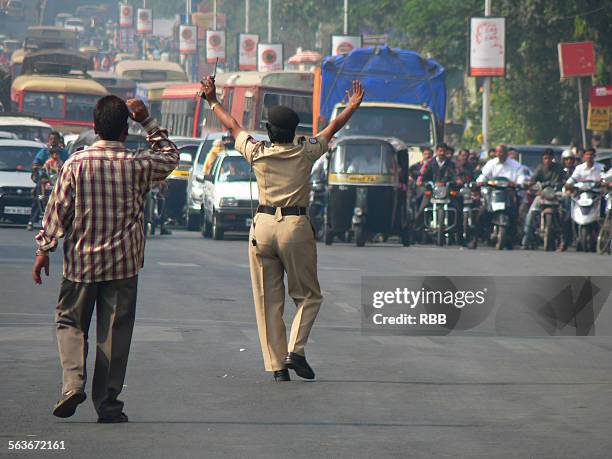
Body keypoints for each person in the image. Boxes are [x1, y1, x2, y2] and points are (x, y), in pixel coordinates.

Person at [200, 75, 364, 382]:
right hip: (294, 226)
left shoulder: (258, 152)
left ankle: (276, 366)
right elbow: (331, 129)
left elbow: (233, 126)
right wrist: (352, 106)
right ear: (294, 132)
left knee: (267, 300)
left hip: (262, 227)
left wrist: (212, 99)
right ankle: (296, 350)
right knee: (308, 296)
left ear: (269, 131)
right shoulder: (306, 151)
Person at [31, 95, 179, 422]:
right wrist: (148, 121)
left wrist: (44, 250)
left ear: (94, 128)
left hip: (80, 265)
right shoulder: (138, 164)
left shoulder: (75, 164)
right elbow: (171, 157)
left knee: (70, 323)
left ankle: (72, 384)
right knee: (114, 335)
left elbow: (57, 213)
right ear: (126, 130)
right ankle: (108, 404)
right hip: (123, 266)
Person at [470, 144, 529, 249]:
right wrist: (479, 182)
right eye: (498, 152)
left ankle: (514, 239)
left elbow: (521, 177)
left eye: (502, 152)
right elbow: (484, 176)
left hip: (509, 194)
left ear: (507, 153)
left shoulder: (515, 165)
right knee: (481, 214)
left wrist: (518, 183)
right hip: (492, 194)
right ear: (496, 153)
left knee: (516, 216)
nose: (500, 154)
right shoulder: (491, 163)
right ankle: (474, 240)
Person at [521, 149, 564, 249]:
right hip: (542, 194)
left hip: (556, 194)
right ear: (543, 159)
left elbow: (565, 179)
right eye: (545, 158)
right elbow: (533, 180)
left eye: (549, 158)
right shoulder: (540, 168)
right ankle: (525, 241)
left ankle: (564, 239)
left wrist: (564, 184)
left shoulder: (559, 168)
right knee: (531, 213)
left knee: (565, 211)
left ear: (553, 158)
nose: (547, 160)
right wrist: (530, 184)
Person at [27, 132, 69, 230]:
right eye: (51, 139)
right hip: (45, 180)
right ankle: (31, 221)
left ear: (59, 141)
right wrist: (40, 169)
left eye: (55, 139)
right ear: (48, 141)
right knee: (38, 198)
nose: (53, 141)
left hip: (59, 181)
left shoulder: (64, 153)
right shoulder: (44, 152)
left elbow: (68, 165)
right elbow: (36, 164)